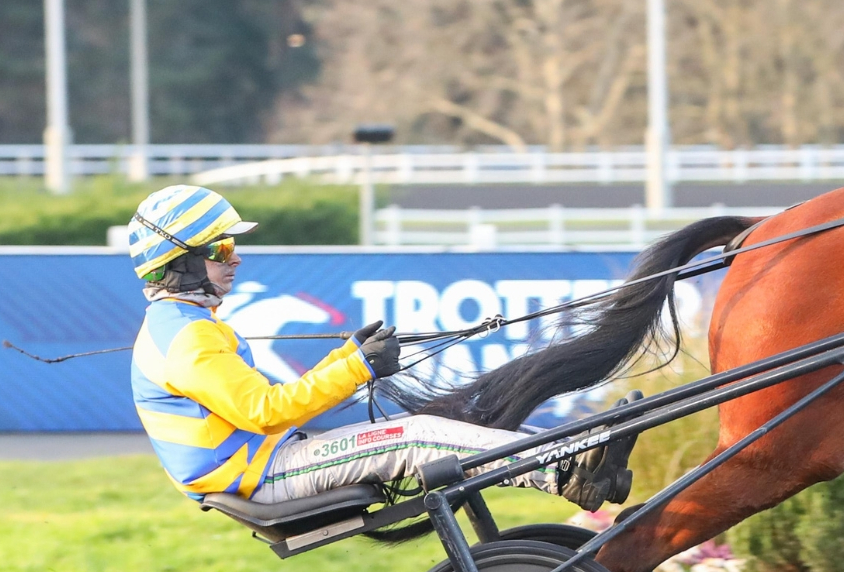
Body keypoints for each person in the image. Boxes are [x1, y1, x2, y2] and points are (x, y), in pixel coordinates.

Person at [127, 185, 579, 506]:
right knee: (418, 435)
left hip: (268, 462)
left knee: (426, 427)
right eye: (221, 249)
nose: (237, 257)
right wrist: (359, 368)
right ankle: (563, 470)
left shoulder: (183, 324)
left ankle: (571, 453)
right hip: (264, 474)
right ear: (181, 261)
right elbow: (266, 412)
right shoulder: (188, 335)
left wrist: (349, 355)